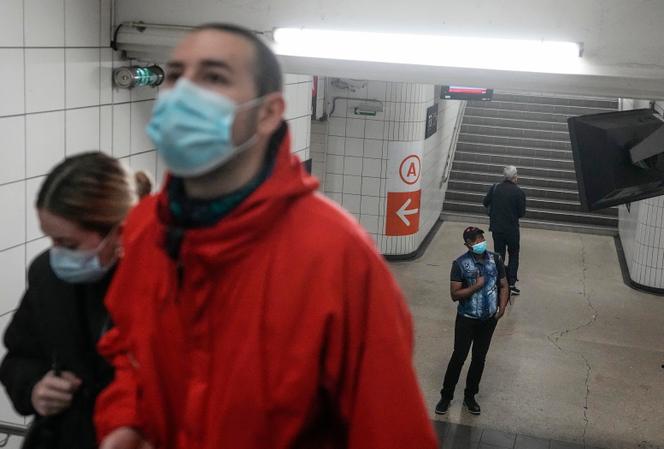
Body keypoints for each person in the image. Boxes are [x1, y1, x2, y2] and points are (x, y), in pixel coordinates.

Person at [95, 23, 437, 449]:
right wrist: (124, 424)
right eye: (177, 75)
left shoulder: (337, 257)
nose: (184, 94)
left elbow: (390, 431)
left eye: (214, 78)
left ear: (269, 112)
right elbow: (129, 355)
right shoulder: (147, 229)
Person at [0, 153, 139, 449]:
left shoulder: (158, 283)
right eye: (51, 240)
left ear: (118, 231)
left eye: (69, 244)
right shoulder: (46, 275)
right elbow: (19, 356)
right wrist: (35, 387)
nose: (57, 254)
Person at [434, 226, 509, 416]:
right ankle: (446, 396)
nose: (480, 242)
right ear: (467, 244)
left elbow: (503, 284)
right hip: (466, 319)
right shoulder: (460, 264)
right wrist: (476, 286)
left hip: (488, 320)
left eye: (481, 237)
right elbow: (454, 294)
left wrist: (502, 308)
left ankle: (470, 396)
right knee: (459, 356)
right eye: (475, 240)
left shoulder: (496, 259)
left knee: (479, 358)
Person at [482, 165, 526, 295]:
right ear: (515, 176)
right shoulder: (519, 192)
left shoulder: (495, 188)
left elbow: (485, 202)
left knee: (499, 255)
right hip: (512, 229)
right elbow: (522, 213)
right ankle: (511, 283)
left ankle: (498, 281)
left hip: (497, 228)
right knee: (513, 254)